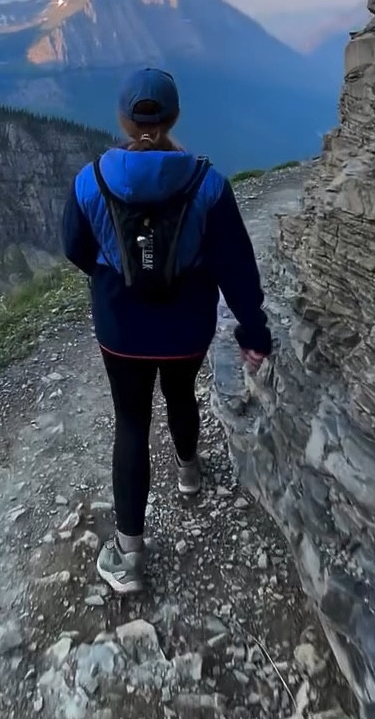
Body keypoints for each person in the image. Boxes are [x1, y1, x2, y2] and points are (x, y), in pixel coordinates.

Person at [61, 67, 271, 595]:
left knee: (131, 422)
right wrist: (253, 329)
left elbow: (74, 248)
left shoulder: (91, 180)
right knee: (180, 393)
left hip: (120, 328)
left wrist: (111, 273)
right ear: (174, 117)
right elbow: (236, 265)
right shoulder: (208, 184)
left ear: (123, 119)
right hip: (186, 328)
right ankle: (189, 471)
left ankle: (130, 558)